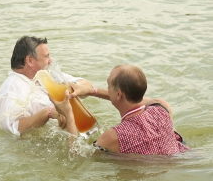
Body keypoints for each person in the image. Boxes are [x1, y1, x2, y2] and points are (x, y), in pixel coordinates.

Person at [50, 65, 189, 155]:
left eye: (109, 85)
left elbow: (76, 156)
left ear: (118, 94)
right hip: (184, 157)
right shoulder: (161, 109)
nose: (107, 88)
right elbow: (136, 99)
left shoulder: (113, 137)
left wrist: (68, 113)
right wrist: (91, 91)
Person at [0, 36, 92, 136]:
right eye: (47, 56)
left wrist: (72, 88)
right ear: (30, 60)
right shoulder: (12, 88)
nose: (50, 61)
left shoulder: (48, 74)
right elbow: (13, 129)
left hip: (78, 132)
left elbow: (88, 86)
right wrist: (47, 114)